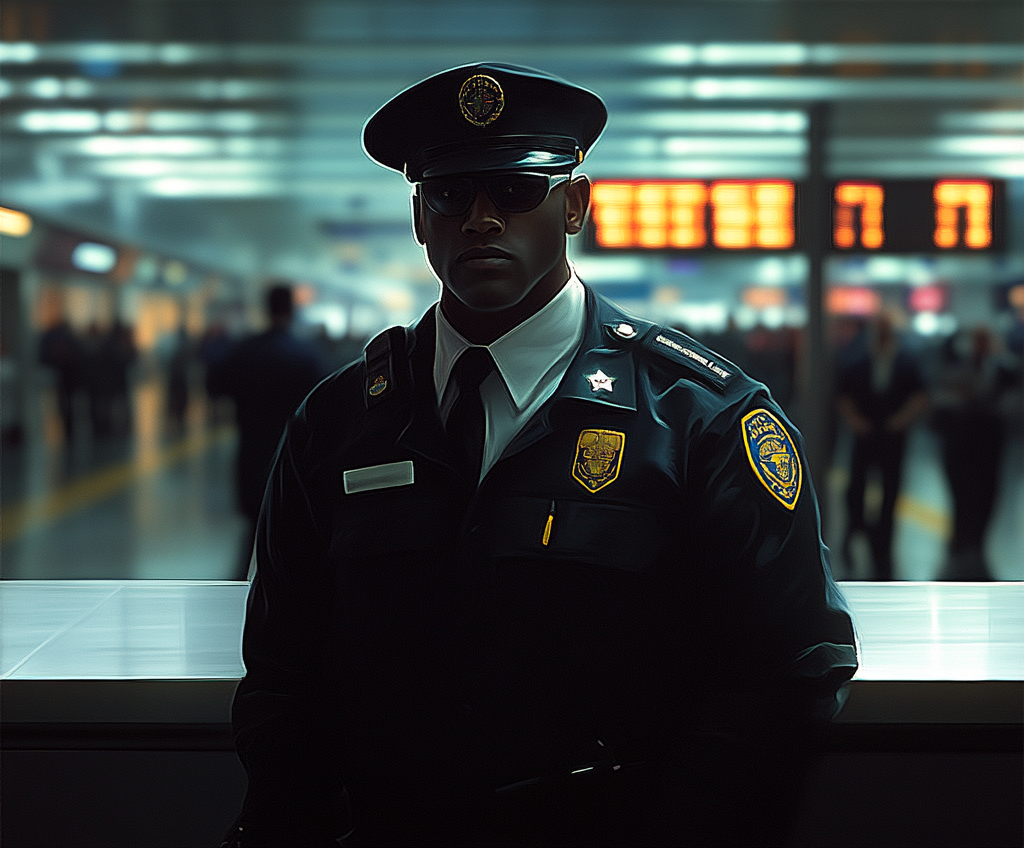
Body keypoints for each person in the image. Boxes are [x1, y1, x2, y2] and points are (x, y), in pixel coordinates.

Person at [223, 64, 858, 847]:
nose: (482, 219)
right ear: (420, 217)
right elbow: (283, 670)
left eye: (517, 191)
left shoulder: (702, 419)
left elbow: (789, 668)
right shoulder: (340, 423)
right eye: (452, 194)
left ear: (575, 205)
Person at [206, 286, 327, 581]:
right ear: (292, 309)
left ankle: (247, 586)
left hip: (251, 452)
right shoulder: (306, 355)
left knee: (254, 526)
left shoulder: (246, 351)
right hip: (295, 456)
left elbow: (215, 385)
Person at [836, 311, 929, 580]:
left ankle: (882, 545)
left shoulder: (905, 361)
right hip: (865, 434)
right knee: (855, 489)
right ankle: (855, 531)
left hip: (892, 435)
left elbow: (920, 395)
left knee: (890, 491)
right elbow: (843, 395)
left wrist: (901, 421)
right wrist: (857, 422)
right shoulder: (859, 359)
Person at [934, 325, 1019, 580]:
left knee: (987, 494)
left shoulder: (1004, 369)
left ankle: (977, 544)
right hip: (960, 442)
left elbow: (1012, 401)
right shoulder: (958, 368)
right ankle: (960, 543)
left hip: (989, 443)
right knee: (960, 493)